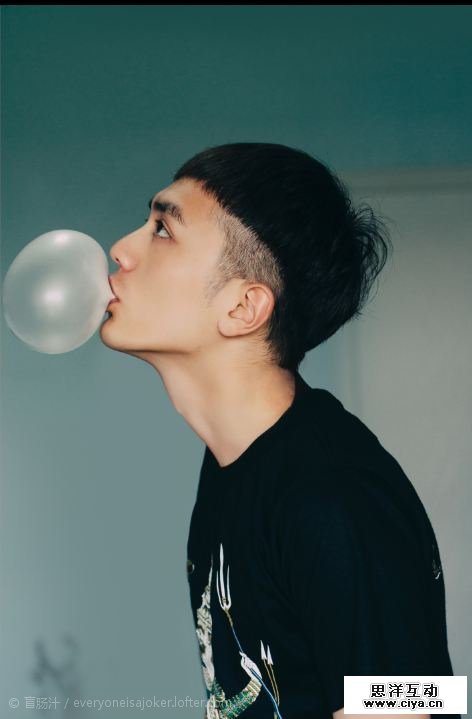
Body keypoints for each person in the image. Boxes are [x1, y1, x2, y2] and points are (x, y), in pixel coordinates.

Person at [101, 143, 458, 719]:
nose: (120, 249)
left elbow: (417, 702)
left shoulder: (333, 495)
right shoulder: (234, 465)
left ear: (244, 308)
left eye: (164, 230)